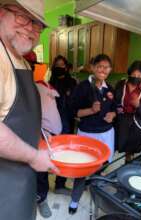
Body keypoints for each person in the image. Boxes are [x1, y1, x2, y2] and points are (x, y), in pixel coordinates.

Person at [0, 1, 58, 220]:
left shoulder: (22, 62)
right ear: (1, 13)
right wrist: (34, 157)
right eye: (22, 17)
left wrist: (42, 148)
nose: (31, 28)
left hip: (23, 181)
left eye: (38, 24)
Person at [69, 54, 116, 214]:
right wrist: (90, 110)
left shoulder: (109, 88)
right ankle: (75, 200)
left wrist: (113, 115)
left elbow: (114, 108)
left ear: (110, 70)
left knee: (101, 167)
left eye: (106, 67)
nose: (103, 69)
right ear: (93, 67)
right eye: (100, 66)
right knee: (83, 169)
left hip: (106, 134)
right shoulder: (82, 87)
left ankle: (96, 191)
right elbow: (73, 112)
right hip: (88, 134)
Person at [115, 60, 141, 162]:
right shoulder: (120, 84)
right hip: (119, 122)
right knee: (114, 146)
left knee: (130, 153)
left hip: (135, 125)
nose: (136, 77)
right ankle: (102, 171)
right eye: (134, 74)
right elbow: (114, 101)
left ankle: (127, 168)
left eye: (140, 75)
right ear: (129, 73)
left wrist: (138, 106)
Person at [49, 55, 77, 194]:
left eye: (62, 65)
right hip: (51, 123)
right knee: (51, 151)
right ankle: (48, 177)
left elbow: (76, 102)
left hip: (67, 122)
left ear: (66, 67)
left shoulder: (72, 82)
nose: (60, 67)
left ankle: (60, 184)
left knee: (65, 152)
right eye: (57, 65)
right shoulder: (49, 83)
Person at [36, 80, 62, 218]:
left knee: (41, 168)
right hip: (28, 133)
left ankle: (41, 197)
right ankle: (38, 199)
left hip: (45, 134)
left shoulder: (41, 86)